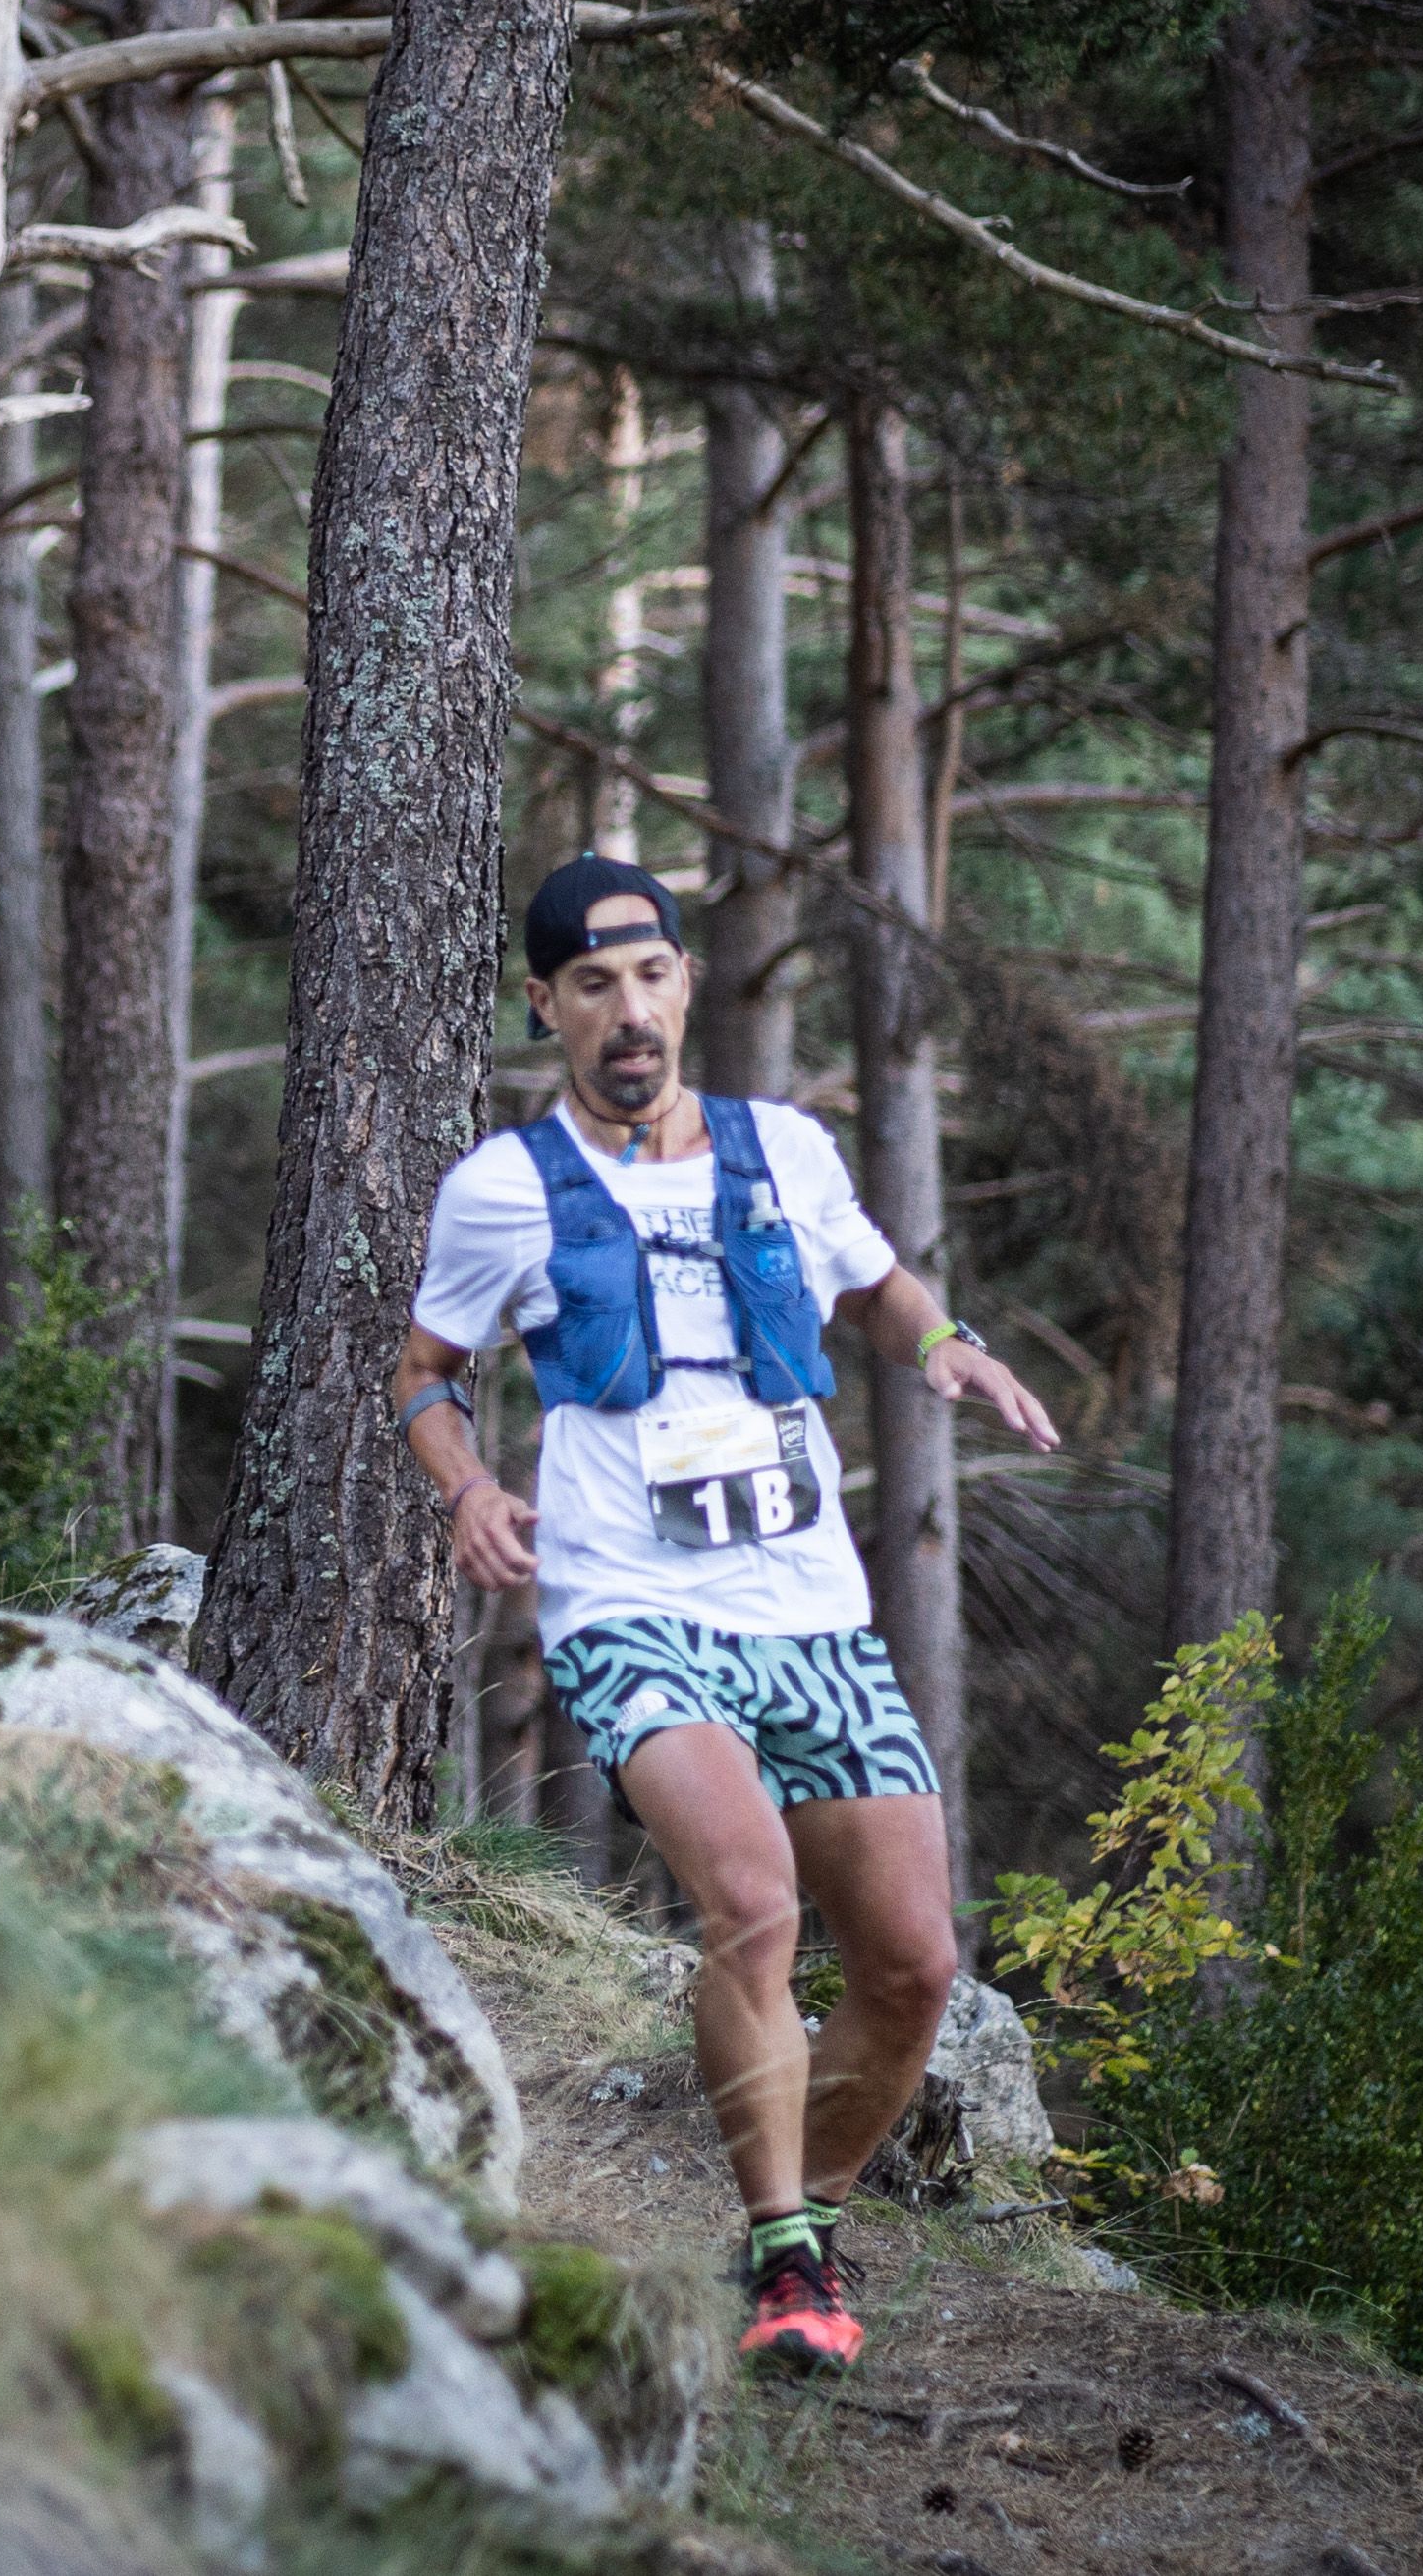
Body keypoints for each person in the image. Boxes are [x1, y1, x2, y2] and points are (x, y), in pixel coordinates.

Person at [390, 855, 1060, 2373]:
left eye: (650, 975)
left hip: (810, 1608)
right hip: (630, 1602)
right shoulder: (505, 1187)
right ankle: (786, 2260)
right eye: (591, 985)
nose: (627, 1011)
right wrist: (467, 1484)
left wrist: (944, 1345)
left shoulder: (786, 1152)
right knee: (753, 1900)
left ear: (687, 981)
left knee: (913, 1962)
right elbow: (425, 1370)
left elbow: (877, 1286)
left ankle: (797, 2216)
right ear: (548, 1004)